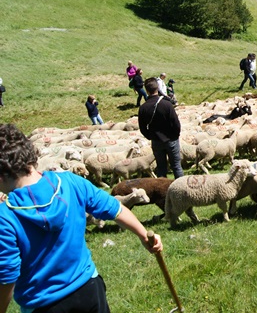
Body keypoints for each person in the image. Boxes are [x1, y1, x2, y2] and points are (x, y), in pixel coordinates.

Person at [0, 123, 162, 313]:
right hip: (89, 289)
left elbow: (7, 277)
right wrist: (144, 235)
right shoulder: (69, 182)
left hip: (42, 303)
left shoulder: (6, 217)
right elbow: (115, 208)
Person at [138, 77, 184, 179]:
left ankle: (162, 192)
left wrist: (150, 136)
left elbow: (142, 128)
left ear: (146, 90)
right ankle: (182, 191)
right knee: (176, 166)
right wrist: (175, 136)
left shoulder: (143, 108)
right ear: (158, 88)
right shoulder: (167, 104)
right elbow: (176, 123)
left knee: (161, 168)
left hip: (156, 141)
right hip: (171, 139)